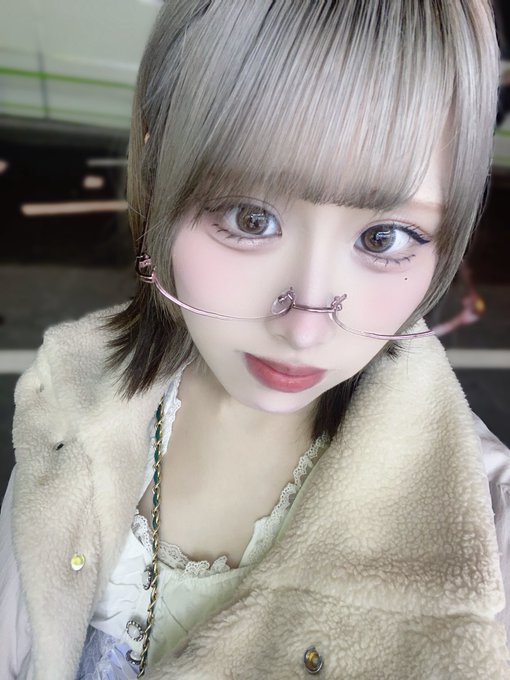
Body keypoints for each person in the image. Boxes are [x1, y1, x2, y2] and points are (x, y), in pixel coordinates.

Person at [2, 1, 510, 678]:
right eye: (250, 217)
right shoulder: (66, 399)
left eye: (383, 237)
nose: (305, 327)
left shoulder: (485, 535)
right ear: (155, 173)